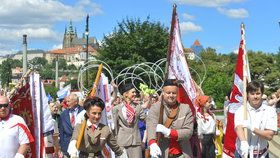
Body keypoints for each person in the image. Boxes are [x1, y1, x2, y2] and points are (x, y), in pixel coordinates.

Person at [146, 79, 194, 158]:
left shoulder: (185, 108)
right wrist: (152, 143)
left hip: (182, 154)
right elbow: (151, 126)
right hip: (163, 152)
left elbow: (188, 132)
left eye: (174, 93)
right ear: (163, 93)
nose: (171, 95)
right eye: (168, 93)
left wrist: (168, 132)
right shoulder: (156, 107)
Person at [234, 81, 277, 158]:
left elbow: (269, 135)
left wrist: (253, 128)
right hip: (242, 153)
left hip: (262, 154)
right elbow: (238, 127)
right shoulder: (241, 110)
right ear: (247, 95)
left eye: (258, 93)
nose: (255, 96)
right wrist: (243, 142)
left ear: (262, 94)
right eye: (252, 94)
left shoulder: (269, 111)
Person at [112, 83, 147, 158]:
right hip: (122, 142)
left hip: (136, 143)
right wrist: (115, 141)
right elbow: (115, 126)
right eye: (133, 92)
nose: (135, 94)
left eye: (135, 92)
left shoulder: (138, 107)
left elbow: (146, 120)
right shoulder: (116, 109)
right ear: (126, 94)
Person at [59, 93, 84, 157]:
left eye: (68, 101)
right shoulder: (63, 115)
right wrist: (63, 147)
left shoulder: (84, 112)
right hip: (67, 147)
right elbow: (61, 132)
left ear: (76, 102)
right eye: (66, 101)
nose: (67, 103)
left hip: (82, 145)